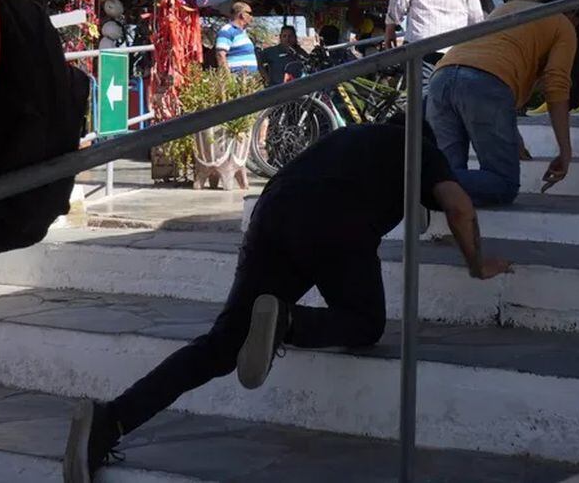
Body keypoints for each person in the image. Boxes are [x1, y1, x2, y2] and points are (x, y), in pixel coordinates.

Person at [63, 123, 511, 483]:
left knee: (222, 344)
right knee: (365, 322)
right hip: (338, 219)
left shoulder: (350, 137)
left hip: (274, 209)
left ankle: (111, 420)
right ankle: (288, 321)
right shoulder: (419, 145)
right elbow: (459, 207)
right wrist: (476, 263)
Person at [426, 0, 577, 206]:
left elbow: (499, 54)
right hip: (485, 83)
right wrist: (565, 152)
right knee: (503, 183)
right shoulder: (564, 25)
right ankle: (416, 182)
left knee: (447, 179)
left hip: (442, 75)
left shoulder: (509, 8)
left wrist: (512, 132)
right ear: (577, 16)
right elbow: (556, 87)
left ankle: (417, 183)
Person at [215, 1, 258, 75]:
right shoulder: (227, 30)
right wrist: (228, 79)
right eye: (250, 13)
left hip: (247, 80)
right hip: (236, 80)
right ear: (242, 15)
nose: (251, 17)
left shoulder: (243, 33)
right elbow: (220, 55)